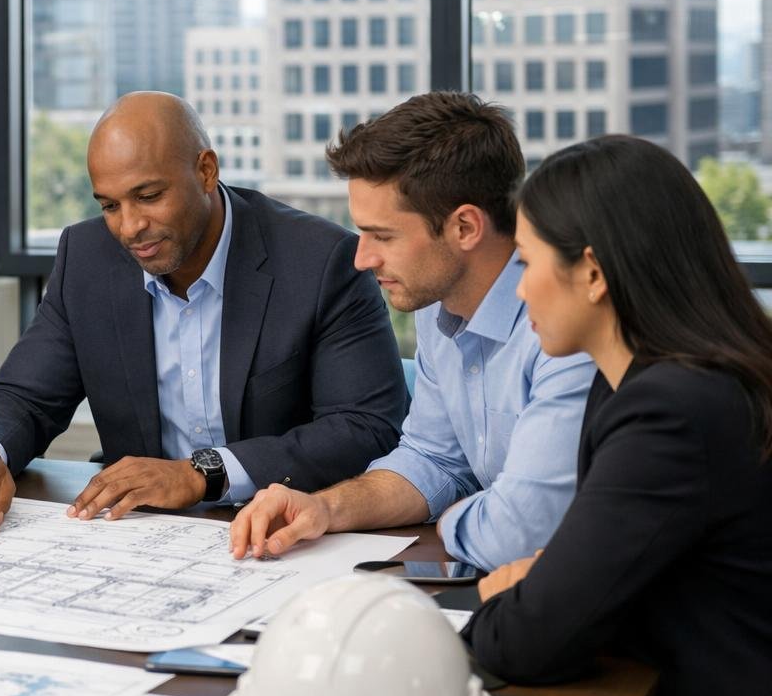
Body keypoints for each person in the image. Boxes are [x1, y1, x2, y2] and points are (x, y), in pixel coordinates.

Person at [465, 136, 772, 696]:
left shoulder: (670, 411)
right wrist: (549, 583)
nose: (517, 288)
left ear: (594, 273)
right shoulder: (667, 381)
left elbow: (527, 641)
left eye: (527, 263)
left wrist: (501, 600)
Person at [0, 91, 407, 533]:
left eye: (148, 196)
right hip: (142, 533)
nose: (130, 227)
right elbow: (23, 396)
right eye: (109, 206)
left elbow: (365, 428)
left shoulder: (321, 261)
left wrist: (201, 474)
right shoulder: (87, 257)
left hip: (283, 528)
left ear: (205, 171)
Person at [229, 92, 594, 570]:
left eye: (382, 236)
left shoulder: (566, 329)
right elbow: (432, 461)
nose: (362, 259)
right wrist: (324, 508)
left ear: (465, 227)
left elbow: (519, 532)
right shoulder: (437, 304)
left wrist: (455, 516)